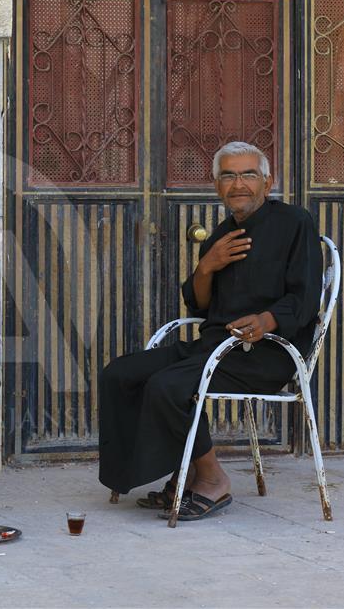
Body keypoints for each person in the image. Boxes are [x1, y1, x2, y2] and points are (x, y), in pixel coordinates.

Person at [98, 141, 322, 521]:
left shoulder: (295, 223)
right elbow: (200, 306)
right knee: (120, 374)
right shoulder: (221, 233)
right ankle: (178, 474)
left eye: (249, 174)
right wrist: (207, 266)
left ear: (268, 183)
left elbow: (305, 297)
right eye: (228, 176)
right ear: (217, 186)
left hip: (268, 352)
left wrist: (266, 321)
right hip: (215, 346)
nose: (239, 184)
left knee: (169, 386)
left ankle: (212, 479)